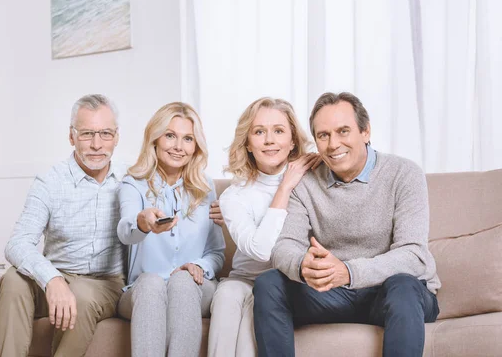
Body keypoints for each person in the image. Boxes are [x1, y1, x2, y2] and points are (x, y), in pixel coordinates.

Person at [253, 92, 441, 357]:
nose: (333, 144)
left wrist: (349, 272)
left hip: (391, 294)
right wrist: (302, 265)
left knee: (404, 285)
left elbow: (413, 255)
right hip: (332, 294)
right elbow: (284, 246)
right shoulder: (305, 183)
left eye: (343, 131)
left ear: (365, 132)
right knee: (269, 283)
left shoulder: (404, 174)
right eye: (323, 135)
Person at [0, 95, 127, 357]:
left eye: (105, 134)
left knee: (81, 294)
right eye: (87, 134)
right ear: (72, 137)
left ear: (116, 137)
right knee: (12, 279)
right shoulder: (50, 182)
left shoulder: (130, 180)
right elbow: (17, 242)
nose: (97, 144)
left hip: (104, 283)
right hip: (56, 272)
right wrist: (52, 278)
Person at [207, 97, 320, 357]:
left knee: (260, 308)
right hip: (244, 280)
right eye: (259, 132)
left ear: (292, 141)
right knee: (227, 296)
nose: (269, 140)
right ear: (247, 142)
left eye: (279, 131)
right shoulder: (233, 196)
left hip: (289, 285)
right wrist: (285, 187)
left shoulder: (313, 182)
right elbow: (261, 250)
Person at [116, 102, 225, 357]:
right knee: (152, 282)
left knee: (182, 281)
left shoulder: (205, 187)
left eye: (188, 138)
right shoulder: (133, 183)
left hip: (195, 288)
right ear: (155, 139)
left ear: (195, 146)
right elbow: (125, 230)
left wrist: (199, 266)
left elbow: (217, 253)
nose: (178, 146)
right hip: (142, 291)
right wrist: (143, 223)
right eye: (170, 136)